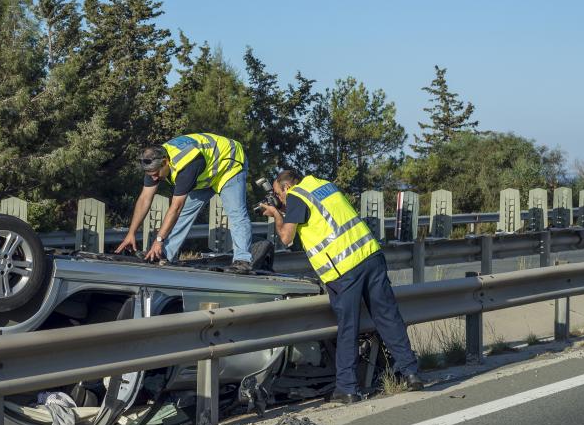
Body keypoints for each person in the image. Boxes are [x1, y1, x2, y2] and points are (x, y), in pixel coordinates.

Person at [260, 169, 423, 403]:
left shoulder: (296, 195)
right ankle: (411, 373)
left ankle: (347, 388)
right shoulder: (324, 186)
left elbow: (286, 238)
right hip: (370, 255)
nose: (280, 198)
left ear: (286, 187)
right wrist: (284, 209)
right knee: (388, 316)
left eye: (278, 194)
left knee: (348, 327)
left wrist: (275, 213)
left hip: (344, 268)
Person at [114, 133, 253, 271]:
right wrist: (131, 233)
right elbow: (144, 199)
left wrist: (158, 240)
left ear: (165, 162)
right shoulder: (153, 163)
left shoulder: (186, 166)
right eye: (151, 175)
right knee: (183, 215)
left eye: (156, 174)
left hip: (228, 163)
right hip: (206, 172)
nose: (154, 179)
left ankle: (243, 260)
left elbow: (176, 207)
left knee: (236, 213)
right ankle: (164, 254)